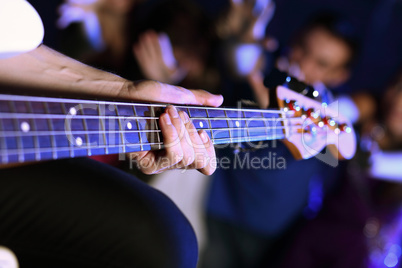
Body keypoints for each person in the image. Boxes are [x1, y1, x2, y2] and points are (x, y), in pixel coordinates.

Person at [0, 1, 223, 267]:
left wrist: (125, 91)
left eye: (192, 50)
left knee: (170, 240)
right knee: (166, 241)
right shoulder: (84, 43)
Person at [200, 13, 359, 268]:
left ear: (339, 75)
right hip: (220, 208)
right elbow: (240, 60)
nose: (304, 63)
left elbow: (339, 149)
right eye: (302, 49)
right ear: (294, 38)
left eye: (321, 63)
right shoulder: (263, 71)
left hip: (272, 230)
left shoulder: (330, 111)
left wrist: (282, 115)